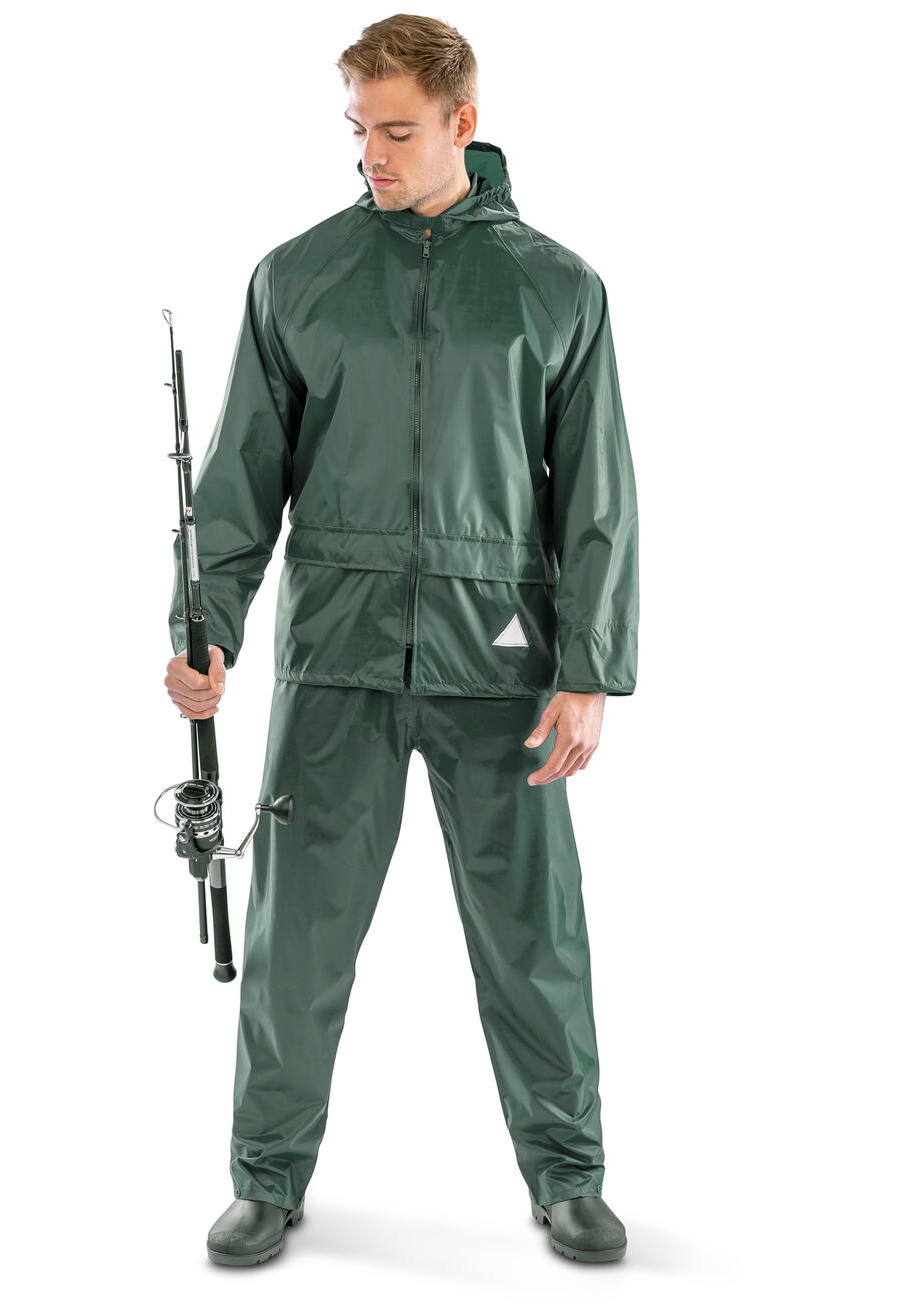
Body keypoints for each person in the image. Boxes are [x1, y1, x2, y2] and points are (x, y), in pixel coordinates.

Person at [165, 14, 639, 1267]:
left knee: (533, 933)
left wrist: (589, 667)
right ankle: (266, 1174)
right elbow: (237, 481)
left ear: (460, 125)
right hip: (338, 654)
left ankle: (567, 1172)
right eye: (357, 129)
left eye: (395, 130)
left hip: (504, 662)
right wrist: (205, 630)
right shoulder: (298, 278)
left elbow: (597, 496)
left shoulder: (556, 288)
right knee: (297, 938)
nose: (369, 154)